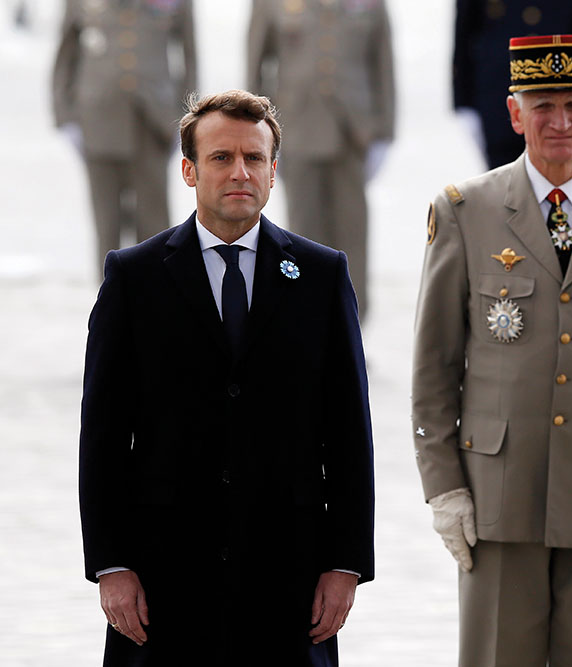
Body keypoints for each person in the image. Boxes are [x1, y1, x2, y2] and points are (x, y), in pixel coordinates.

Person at [79, 90, 375, 666]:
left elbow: (347, 432)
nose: (240, 172)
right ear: (189, 170)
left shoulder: (320, 275)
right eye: (220, 158)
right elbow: (104, 437)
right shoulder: (134, 278)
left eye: (254, 158)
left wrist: (345, 563)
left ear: (272, 171)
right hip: (163, 578)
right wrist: (111, 565)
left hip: (288, 576)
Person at [412, 34, 572, 666]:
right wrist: (444, 486)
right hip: (500, 498)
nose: (559, 122)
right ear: (514, 114)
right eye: (542, 106)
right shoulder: (464, 212)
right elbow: (434, 368)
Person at [247, 0, 395, 321]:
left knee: (352, 232)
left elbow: (382, 61)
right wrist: (254, 132)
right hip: (297, 129)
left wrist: (385, 131)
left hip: (354, 133)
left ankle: (351, 327)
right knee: (302, 233)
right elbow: (256, 64)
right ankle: (305, 325)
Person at [52, 0, 197, 278]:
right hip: (98, 120)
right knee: (107, 226)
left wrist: (188, 115)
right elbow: (65, 56)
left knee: (154, 225)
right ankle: (111, 305)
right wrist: (66, 116)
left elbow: (189, 55)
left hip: (152, 122)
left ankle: (155, 302)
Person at [453, 0, 572, 170]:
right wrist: (464, 103)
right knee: (505, 182)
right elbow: (464, 35)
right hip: (498, 99)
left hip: (557, 97)